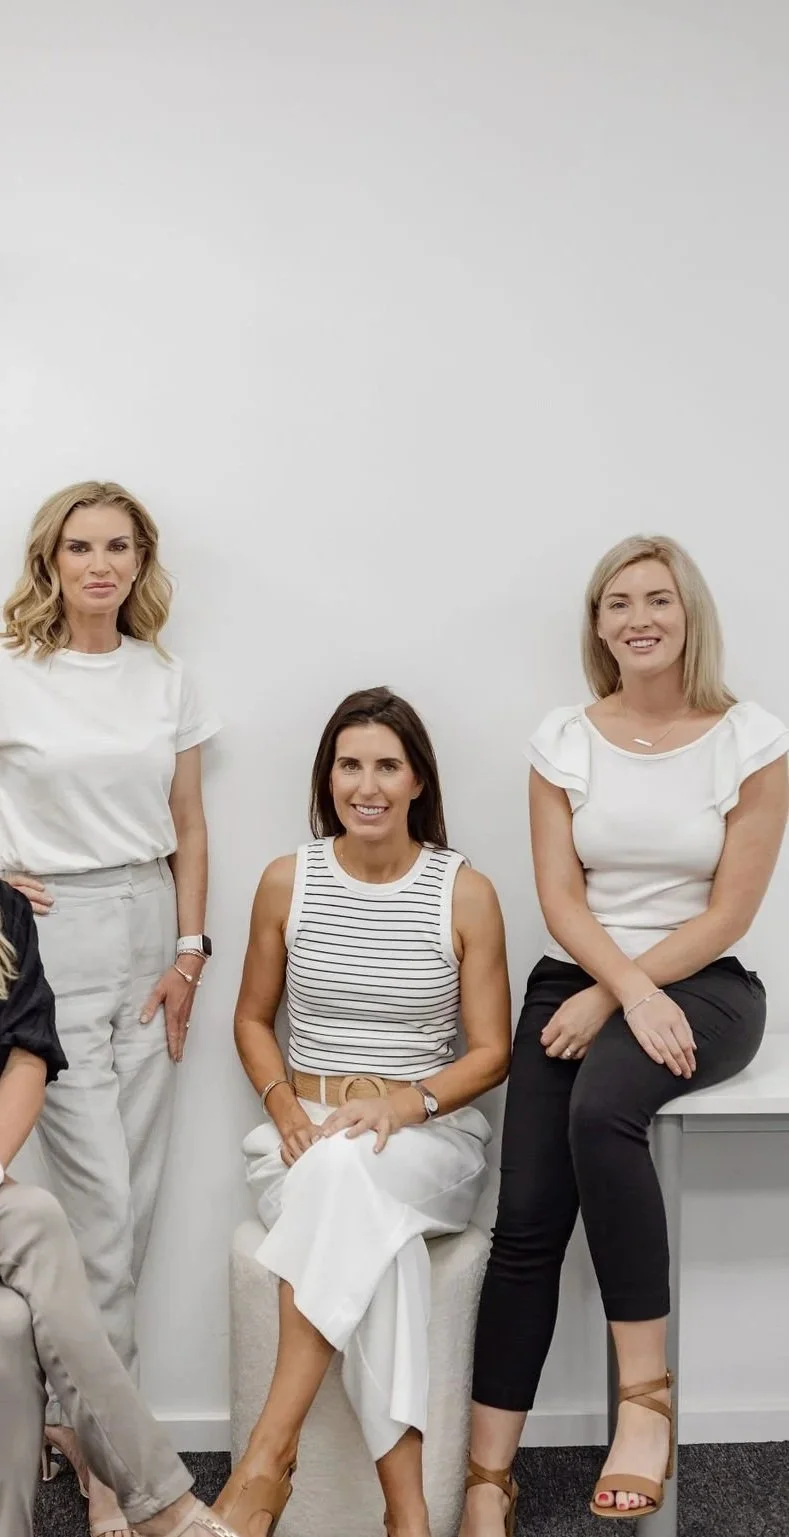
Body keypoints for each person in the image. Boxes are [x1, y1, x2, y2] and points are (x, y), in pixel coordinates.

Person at [462, 534, 789, 1531]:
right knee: (525, 1219)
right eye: (617, 603)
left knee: (603, 1110)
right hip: (578, 978)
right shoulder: (563, 739)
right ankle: (488, 1480)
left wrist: (626, 995)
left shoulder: (751, 739)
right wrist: (612, 987)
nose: (638, 618)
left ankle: (646, 1403)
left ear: (690, 614)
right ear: (597, 625)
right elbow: (561, 899)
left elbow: (729, 912)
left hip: (704, 986)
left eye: (657, 599)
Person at [220, 687, 511, 1537]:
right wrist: (283, 1106)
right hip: (304, 1134)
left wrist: (403, 1103)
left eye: (387, 765)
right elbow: (251, 1019)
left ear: (418, 779)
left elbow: (490, 1051)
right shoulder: (288, 881)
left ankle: (265, 1460)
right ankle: (408, 1519)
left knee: (350, 1170)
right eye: (349, 764)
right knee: (380, 1242)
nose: (367, 784)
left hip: (429, 1140)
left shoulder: (464, 891)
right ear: (328, 777)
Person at [0, 481, 219, 1537]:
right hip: (54, 931)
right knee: (97, 1214)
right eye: (80, 547)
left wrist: (189, 951)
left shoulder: (164, 678)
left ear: (140, 560)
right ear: (51, 560)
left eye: (118, 546)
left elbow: (189, 820)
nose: (100, 564)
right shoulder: (12, 673)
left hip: (150, 928)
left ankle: (76, 1422)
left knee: (132, 1207)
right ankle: (115, 1478)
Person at [0, 877, 243, 1537]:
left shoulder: (6, 910)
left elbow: (26, 1053)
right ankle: (161, 1503)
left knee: (13, 1312)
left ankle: (141, 1491)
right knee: (41, 1220)